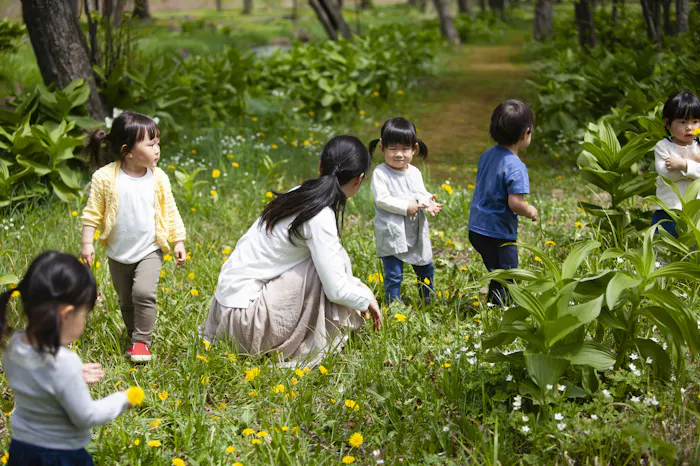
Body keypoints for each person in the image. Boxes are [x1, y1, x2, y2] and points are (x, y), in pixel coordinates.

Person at [200, 136, 382, 366]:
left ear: (320, 166)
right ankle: (310, 344)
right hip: (245, 325)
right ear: (359, 180)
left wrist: (358, 286)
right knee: (321, 268)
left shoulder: (300, 194)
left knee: (331, 257)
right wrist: (364, 299)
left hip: (223, 316)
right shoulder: (320, 215)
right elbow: (335, 289)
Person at [0, 251, 133, 466]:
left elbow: (36, 377)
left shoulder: (14, 346)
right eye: (84, 315)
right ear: (66, 315)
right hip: (61, 456)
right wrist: (123, 399)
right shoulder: (64, 362)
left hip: (22, 450)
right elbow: (87, 416)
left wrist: (71, 377)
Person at [81, 111, 186, 362]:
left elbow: (170, 210)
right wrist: (87, 242)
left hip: (150, 248)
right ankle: (133, 334)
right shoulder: (105, 178)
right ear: (128, 151)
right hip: (118, 253)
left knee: (143, 293)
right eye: (150, 145)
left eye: (158, 143)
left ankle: (142, 342)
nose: (157, 149)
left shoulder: (158, 178)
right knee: (126, 300)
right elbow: (92, 213)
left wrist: (178, 240)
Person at [468, 99, 538, 305]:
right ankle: (501, 310)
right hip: (498, 234)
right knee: (508, 275)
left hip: (477, 229)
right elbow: (515, 203)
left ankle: (496, 302)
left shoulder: (487, 155)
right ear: (526, 133)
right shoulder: (516, 167)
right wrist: (530, 210)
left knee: (498, 272)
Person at [368, 117, 443, 305]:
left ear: (414, 149)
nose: (399, 154)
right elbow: (382, 199)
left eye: (405, 149)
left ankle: (428, 299)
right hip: (392, 231)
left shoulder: (415, 172)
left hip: (415, 229)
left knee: (425, 266)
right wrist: (405, 207)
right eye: (393, 149)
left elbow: (420, 193)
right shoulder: (381, 173)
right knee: (393, 273)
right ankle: (394, 304)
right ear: (382, 147)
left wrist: (429, 203)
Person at [652, 90, 700, 238]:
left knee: (692, 244)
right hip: (669, 208)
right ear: (667, 123)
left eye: (695, 122)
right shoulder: (663, 146)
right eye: (683, 122)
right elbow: (666, 174)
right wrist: (694, 164)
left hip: (695, 210)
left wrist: (683, 164)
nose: (689, 127)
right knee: (663, 242)